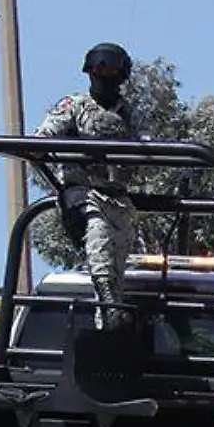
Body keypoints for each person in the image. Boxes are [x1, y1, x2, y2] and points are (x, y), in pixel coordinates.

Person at [35, 42, 140, 331]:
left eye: (109, 73)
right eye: (97, 72)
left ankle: (108, 326)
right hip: (84, 193)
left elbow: (141, 149)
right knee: (99, 256)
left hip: (118, 198)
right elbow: (41, 139)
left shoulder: (127, 113)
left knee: (117, 269)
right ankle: (108, 306)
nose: (103, 79)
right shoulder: (74, 105)